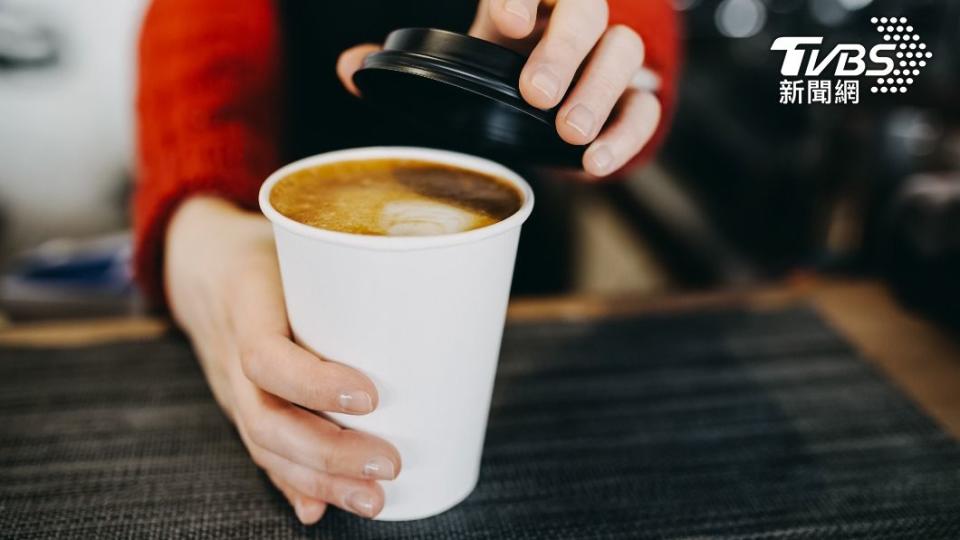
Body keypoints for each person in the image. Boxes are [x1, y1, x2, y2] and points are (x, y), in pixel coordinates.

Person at [134, 0, 680, 524]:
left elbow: (628, 23)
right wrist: (201, 219)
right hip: (287, 211)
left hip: (514, 242)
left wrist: (597, 58)